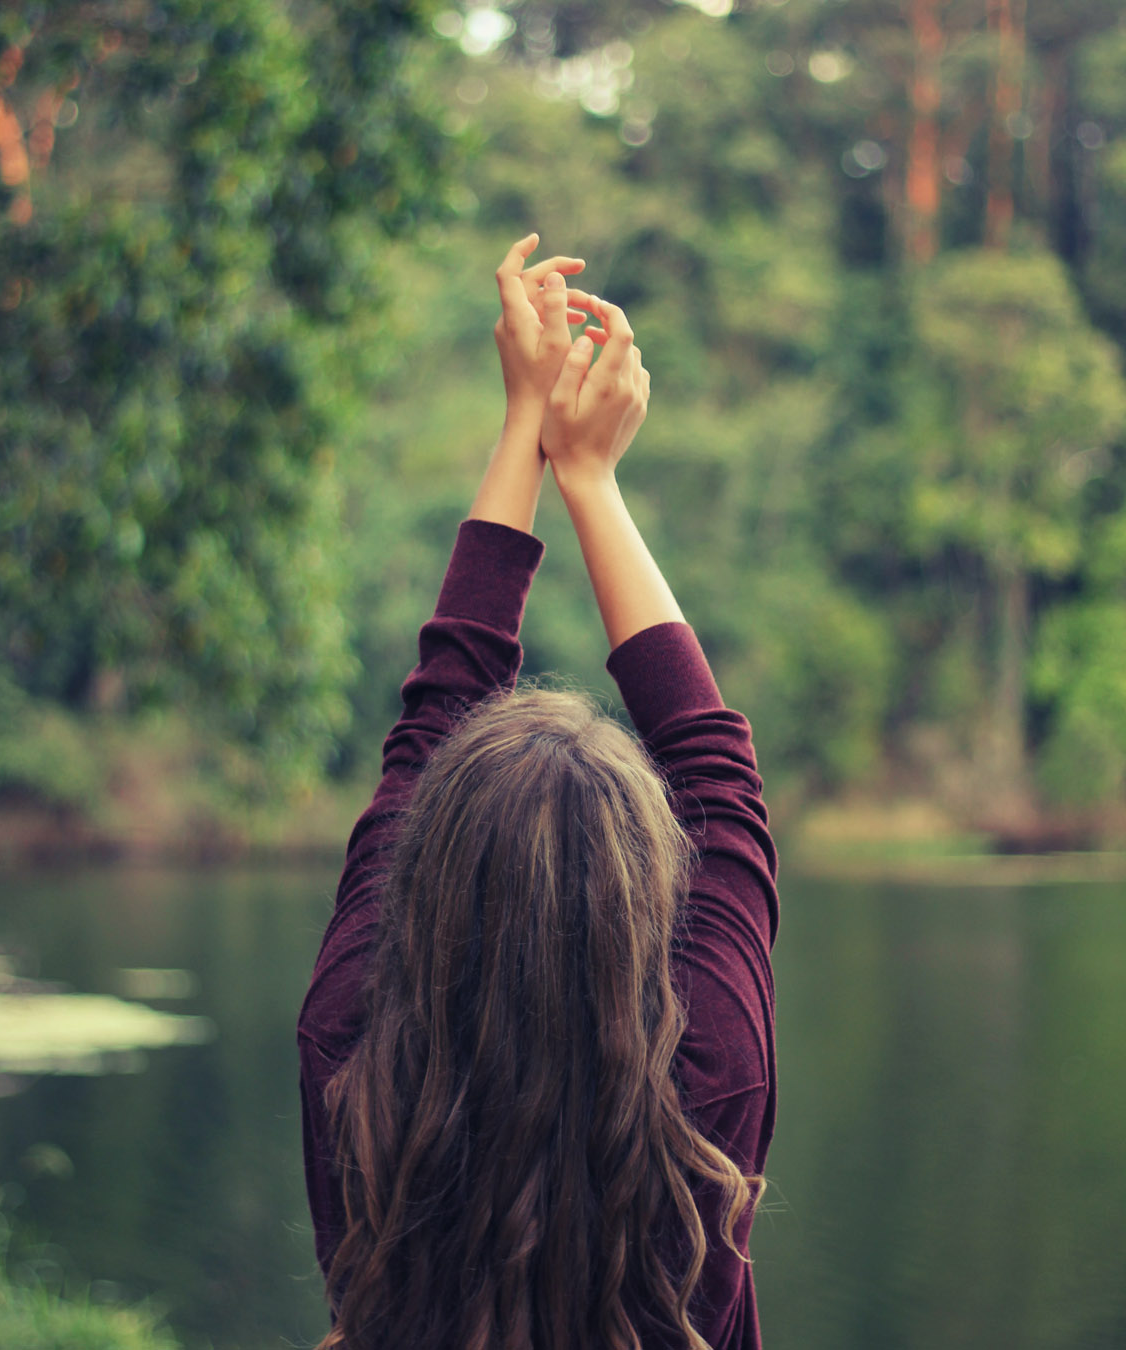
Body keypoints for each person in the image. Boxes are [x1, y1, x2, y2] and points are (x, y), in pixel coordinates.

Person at [298, 234, 779, 1350]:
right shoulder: (705, 1081)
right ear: (647, 888)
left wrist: (526, 426)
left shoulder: (356, 1070)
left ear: (428, 870)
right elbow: (717, 770)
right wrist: (588, 473)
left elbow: (434, 716)